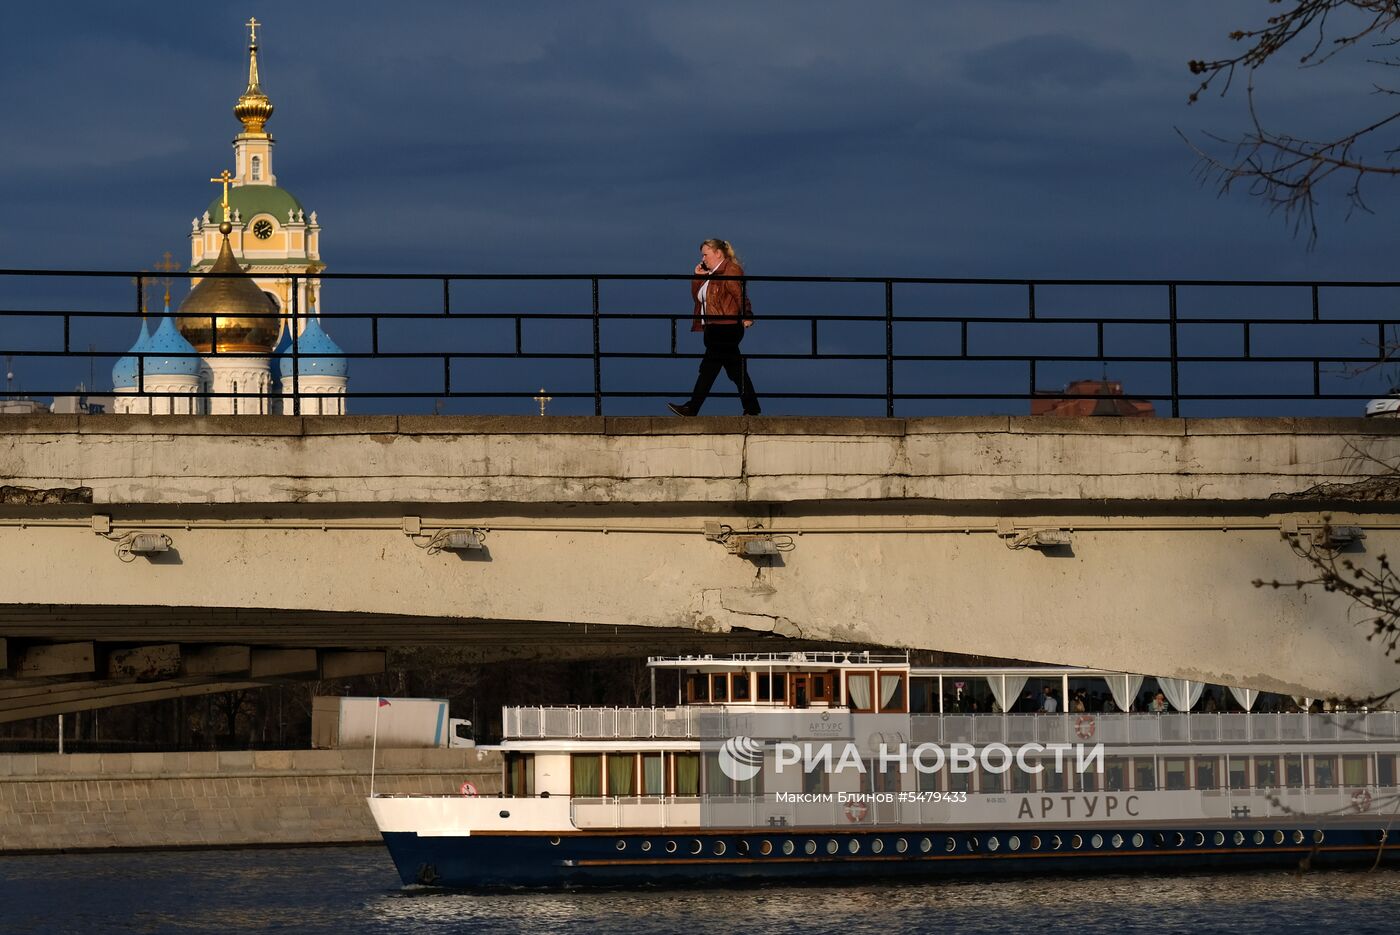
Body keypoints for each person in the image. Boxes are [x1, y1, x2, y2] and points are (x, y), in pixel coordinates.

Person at [667, 239, 761, 416]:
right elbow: (698, 299)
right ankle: (752, 407)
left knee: (709, 368)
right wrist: (698, 277)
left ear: (718, 253)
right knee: (734, 369)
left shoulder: (730, 270)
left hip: (726, 327)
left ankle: (692, 407)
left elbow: (739, 294)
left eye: (705, 254)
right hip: (713, 328)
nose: (703, 258)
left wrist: (747, 314)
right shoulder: (712, 274)